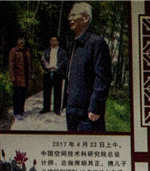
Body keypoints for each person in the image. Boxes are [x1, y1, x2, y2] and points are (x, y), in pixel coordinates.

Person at [65, 2, 111, 132]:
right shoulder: (74, 43)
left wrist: (95, 107)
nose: (70, 18)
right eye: (69, 15)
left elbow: (103, 77)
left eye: (74, 15)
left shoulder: (96, 43)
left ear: (85, 18)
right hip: (72, 110)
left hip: (88, 114)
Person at [41, 35, 68, 115]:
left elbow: (64, 61)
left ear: (58, 42)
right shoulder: (46, 51)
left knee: (57, 92)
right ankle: (46, 108)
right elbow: (43, 60)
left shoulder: (62, 52)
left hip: (57, 73)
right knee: (46, 91)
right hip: (48, 73)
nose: (53, 42)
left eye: (55, 40)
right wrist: (46, 67)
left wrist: (57, 67)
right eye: (51, 40)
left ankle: (57, 109)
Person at [9, 37, 31, 119]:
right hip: (17, 76)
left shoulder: (27, 51)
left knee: (23, 95)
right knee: (17, 95)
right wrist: (12, 76)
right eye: (20, 43)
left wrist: (31, 74)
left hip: (25, 75)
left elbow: (29, 63)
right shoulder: (13, 51)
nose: (22, 44)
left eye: (23, 43)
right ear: (18, 43)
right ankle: (16, 112)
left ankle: (21, 110)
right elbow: (11, 65)